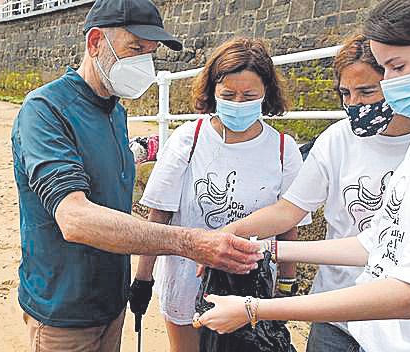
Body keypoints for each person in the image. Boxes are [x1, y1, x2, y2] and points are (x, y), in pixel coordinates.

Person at [196, 1, 410, 351]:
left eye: (397, 67)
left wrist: (255, 309)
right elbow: (375, 243)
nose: (389, 83)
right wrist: (263, 248)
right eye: (384, 70)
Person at [11, 1, 262, 351]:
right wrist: (191, 243)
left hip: (111, 300)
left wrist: (142, 151)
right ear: (95, 41)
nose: (144, 62)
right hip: (62, 308)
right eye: (135, 49)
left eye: (151, 53)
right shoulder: (45, 111)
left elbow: (106, 172)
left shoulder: (115, 112)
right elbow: (74, 218)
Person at [130, 37, 306, 352]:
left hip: (251, 288)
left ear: (266, 93)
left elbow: (288, 225)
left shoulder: (283, 149)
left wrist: (286, 285)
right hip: (186, 280)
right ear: (213, 91)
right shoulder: (188, 139)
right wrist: (143, 278)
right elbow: (161, 215)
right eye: (229, 95)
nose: (238, 103)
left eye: (249, 95)